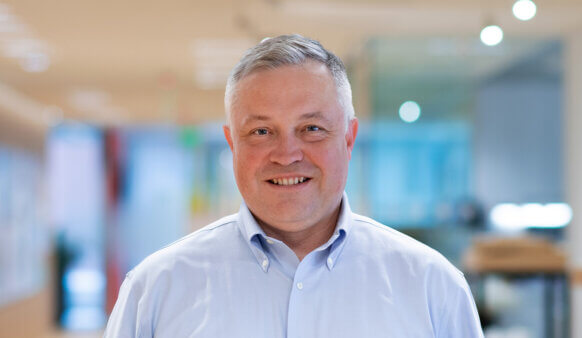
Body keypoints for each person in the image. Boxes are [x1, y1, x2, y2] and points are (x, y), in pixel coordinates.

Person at [104, 34, 484, 337]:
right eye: (261, 131)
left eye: (312, 129)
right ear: (232, 142)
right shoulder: (155, 289)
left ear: (349, 139)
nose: (286, 154)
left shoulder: (433, 286)